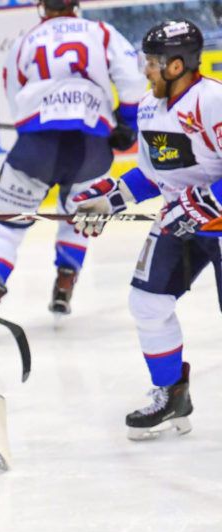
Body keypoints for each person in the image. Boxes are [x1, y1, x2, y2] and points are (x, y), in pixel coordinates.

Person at [0, 0, 145, 342]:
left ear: (43, 7)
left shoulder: (25, 41)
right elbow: (132, 80)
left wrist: (31, 124)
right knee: (82, 213)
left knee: (8, 225)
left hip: (37, 147)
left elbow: (14, 97)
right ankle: (65, 280)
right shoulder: (102, 33)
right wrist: (126, 123)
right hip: (92, 145)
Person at [70, 20, 219, 440]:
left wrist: (200, 204)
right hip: (181, 223)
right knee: (147, 303)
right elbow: (154, 174)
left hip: (215, 224)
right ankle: (172, 395)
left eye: (152, 62)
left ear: (177, 65)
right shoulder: (150, 108)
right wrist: (110, 198)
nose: (145, 70)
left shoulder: (213, 100)